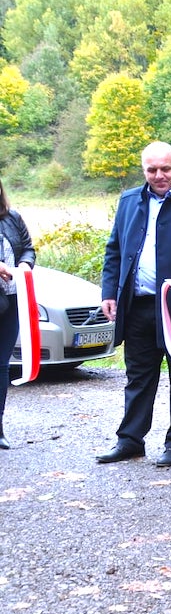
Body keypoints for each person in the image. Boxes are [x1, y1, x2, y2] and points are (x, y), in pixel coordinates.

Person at [96, 142, 171, 468]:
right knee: (138, 376)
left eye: (165, 169)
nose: (159, 176)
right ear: (144, 170)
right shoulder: (130, 200)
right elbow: (114, 249)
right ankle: (130, 440)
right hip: (138, 306)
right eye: (151, 170)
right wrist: (109, 292)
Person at [0, 179, 35, 450]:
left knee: (2, 365)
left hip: (10, 299)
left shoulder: (12, 217)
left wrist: (24, 263)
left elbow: (28, 247)